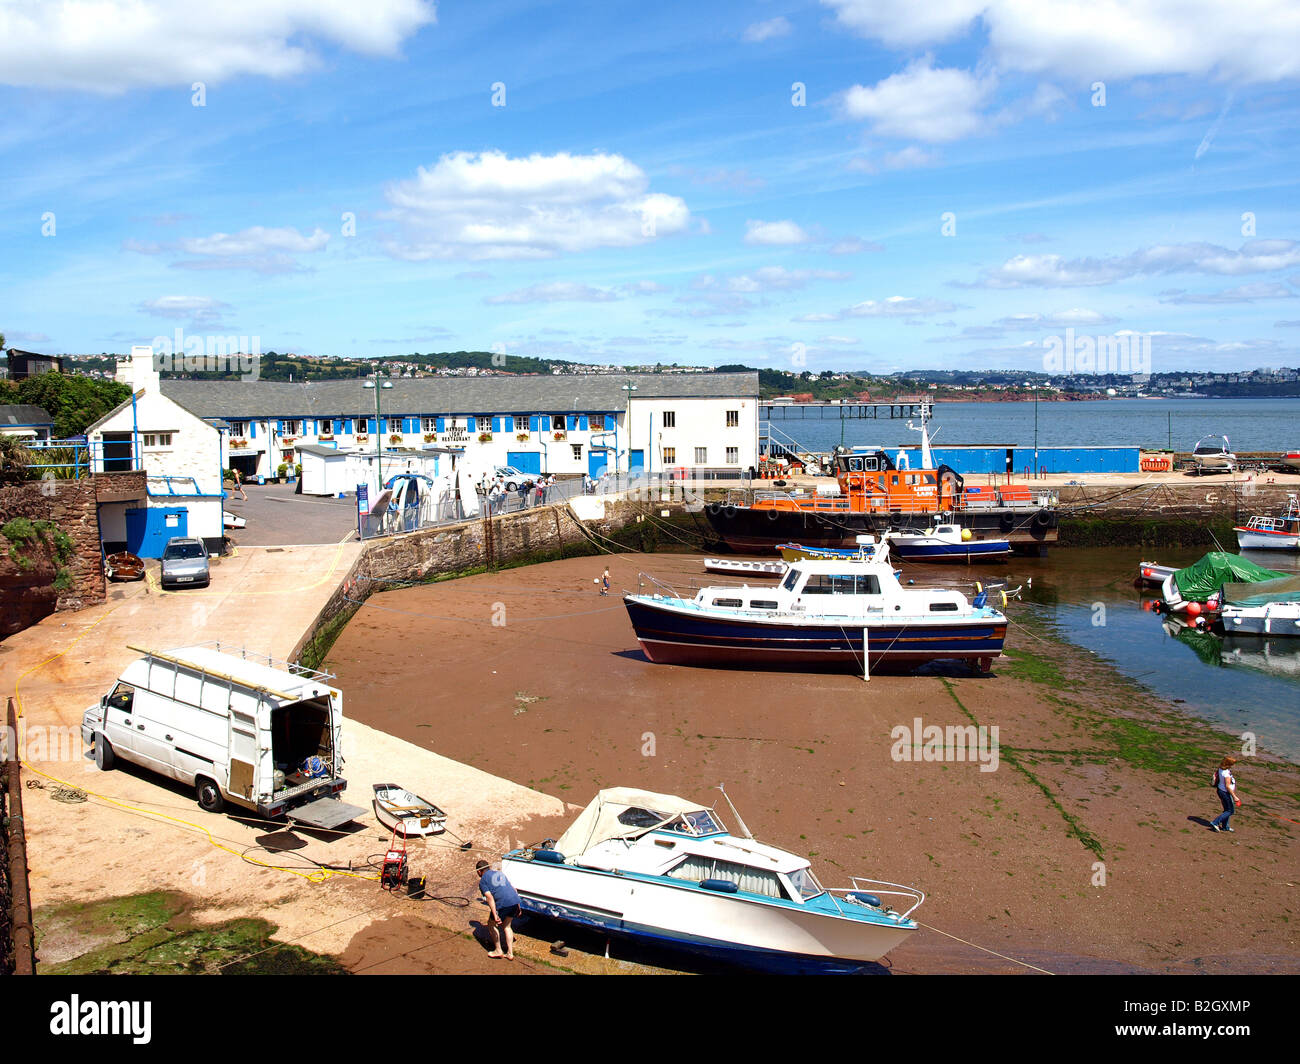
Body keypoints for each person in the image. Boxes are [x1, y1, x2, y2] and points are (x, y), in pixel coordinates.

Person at [474, 859, 520, 959]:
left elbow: (489, 897)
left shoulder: (482, 881)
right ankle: (510, 953)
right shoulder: (499, 873)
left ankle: (498, 950)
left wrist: (495, 915)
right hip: (515, 901)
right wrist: (518, 907)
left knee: (491, 924)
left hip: (503, 904)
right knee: (507, 926)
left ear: (479, 871)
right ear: (489, 867)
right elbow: (514, 889)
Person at [1210, 756, 1240, 832]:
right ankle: (1215, 822)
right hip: (1225, 793)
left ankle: (1225, 826)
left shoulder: (1221, 768)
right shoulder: (1226, 773)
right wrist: (1235, 797)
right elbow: (1228, 786)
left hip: (1220, 790)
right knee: (1230, 811)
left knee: (1227, 810)